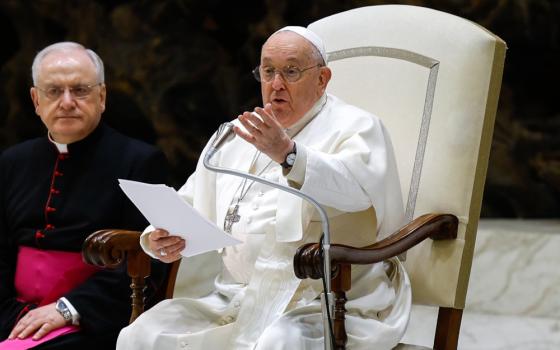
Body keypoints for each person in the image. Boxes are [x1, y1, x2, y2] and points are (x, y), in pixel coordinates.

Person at [117, 26, 411, 350]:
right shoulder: (235, 134)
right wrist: (159, 236)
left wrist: (289, 155)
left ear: (323, 79)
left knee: (278, 342)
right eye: (268, 71)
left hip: (326, 302)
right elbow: (188, 201)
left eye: (291, 71)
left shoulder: (358, 127)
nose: (276, 84)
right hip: (236, 297)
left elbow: (356, 191)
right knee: (140, 335)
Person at [0, 42, 169, 349]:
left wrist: (69, 308)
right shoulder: (12, 162)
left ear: (101, 97)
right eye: (53, 91)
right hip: (13, 312)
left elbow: (150, 257)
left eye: (80, 90)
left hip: (93, 318)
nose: (67, 102)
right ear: (36, 100)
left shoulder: (140, 161)